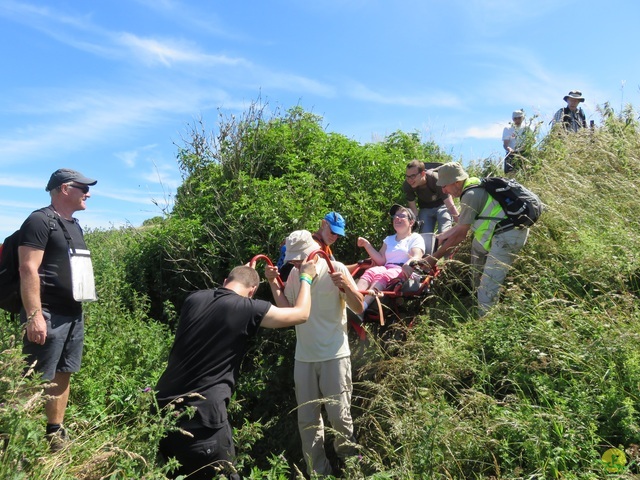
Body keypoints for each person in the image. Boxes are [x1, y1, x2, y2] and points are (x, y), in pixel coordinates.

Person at [155, 262, 316, 480]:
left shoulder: (193, 299)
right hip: (202, 422)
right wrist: (306, 277)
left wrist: (247, 272)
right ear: (252, 292)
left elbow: (221, 302)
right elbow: (300, 314)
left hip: (161, 414)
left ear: (225, 282)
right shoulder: (248, 308)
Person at [266, 230, 364, 476]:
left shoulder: (337, 268)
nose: (296, 262)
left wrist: (346, 288)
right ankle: (319, 472)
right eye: (293, 259)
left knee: (340, 418)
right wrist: (271, 282)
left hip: (334, 355)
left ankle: (350, 465)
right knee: (307, 422)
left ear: (313, 249)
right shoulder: (296, 274)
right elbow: (287, 311)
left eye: (299, 257)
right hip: (305, 358)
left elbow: (359, 306)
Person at [18, 168, 97, 451]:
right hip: (48, 314)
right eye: (82, 187)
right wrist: (34, 315)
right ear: (64, 189)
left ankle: (54, 434)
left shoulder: (73, 225)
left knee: (63, 372)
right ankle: (14, 437)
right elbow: (28, 268)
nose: (88, 193)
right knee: (33, 377)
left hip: (73, 313)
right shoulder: (39, 221)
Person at [425, 162, 529, 316]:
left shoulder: (470, 196)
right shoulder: (472, 186)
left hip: (507, 237)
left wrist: (433, 259)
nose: (443, 190)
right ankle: (475, 293)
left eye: (445, 186)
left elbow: (461, 234)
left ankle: (486, 323)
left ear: (457, 182)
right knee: (476, 256)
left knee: (488, 287)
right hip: (497, 235)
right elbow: (463, 223)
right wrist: (442, 236)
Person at [355, 205, 425, 313]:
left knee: (383, 276)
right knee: (370, 271)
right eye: (396, 216)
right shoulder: (389, 239)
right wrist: (367, 245)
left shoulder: (415, 238)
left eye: (402, 216)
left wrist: (408, 263)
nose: (397, 218)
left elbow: (417, 256)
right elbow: (381, 260)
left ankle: (361, 307)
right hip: (386, 267)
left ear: (411, 222)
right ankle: (353, 302)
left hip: (403, 270)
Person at [403, 160, 458, 252]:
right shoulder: (407, 185)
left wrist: (461, 223)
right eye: (407, 177)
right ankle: (426, 262)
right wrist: (414, 225)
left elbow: (450, 205)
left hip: (442, 206)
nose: (410, 180)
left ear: (423, 173)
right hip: (425, 209)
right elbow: (413, 208)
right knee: (425, 238)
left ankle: (447, 261)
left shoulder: (435, 179)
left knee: (445, 232)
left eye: (413, 176)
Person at [276, 211, 346, 280]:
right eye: (333, 232)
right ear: (323, 224)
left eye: (338, 235)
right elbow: (334, 272)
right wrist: (357, 265)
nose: (335, 237)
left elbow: (335, 269)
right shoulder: (315, 247)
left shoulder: (325, 245)